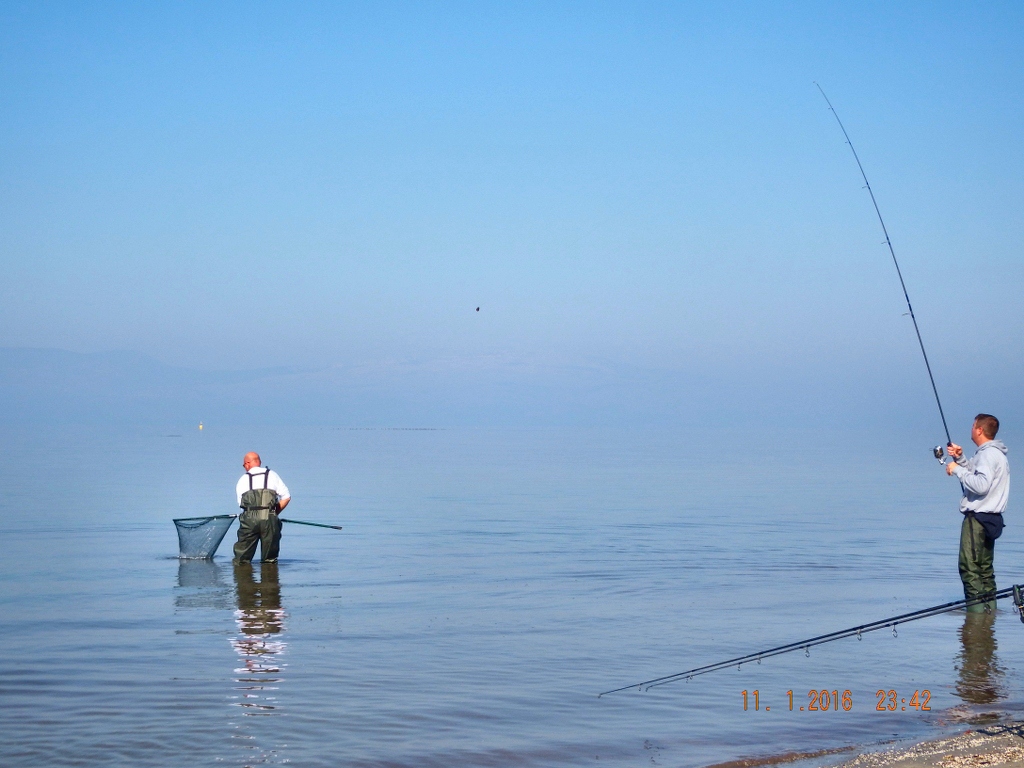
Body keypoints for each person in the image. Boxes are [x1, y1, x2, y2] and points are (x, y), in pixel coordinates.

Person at [945, 414, 1009, 612]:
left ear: (980, 430)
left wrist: (957, 469)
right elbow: (978, 473)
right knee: (985, 571)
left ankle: (976, 619)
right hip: (991, 519)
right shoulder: (993, 453)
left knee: (969, 568)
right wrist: (961, 459)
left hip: (978, 520)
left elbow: (981, 485)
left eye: (973, 426)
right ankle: (988, 616)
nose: (971, 429)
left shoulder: (988, 454)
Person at [233, 452, 291, 564]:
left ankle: (242, 578)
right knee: (270, 560)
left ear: (247, 463)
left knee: (241, 559)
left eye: (244, 465)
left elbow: (241, 504)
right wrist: (274, 513)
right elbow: (286, 497)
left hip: (249, 520)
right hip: (269, 519)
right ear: (259, 462)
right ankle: (270, 577)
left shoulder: (242, 480)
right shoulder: (272, 475)